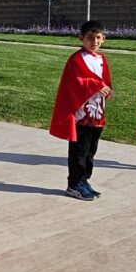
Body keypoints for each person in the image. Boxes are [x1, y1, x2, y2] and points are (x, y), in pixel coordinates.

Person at [49, 20, 113, 200]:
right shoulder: (76, 60)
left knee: (91, 151)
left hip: (97, 112)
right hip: (82, 114)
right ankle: (74, 183)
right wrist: (96, 85)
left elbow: (105, 79)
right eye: (90, 38)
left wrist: (106, 89)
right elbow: (75, 82)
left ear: (103, 39)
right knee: (79, 151)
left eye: (98, 38)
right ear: (81, 38)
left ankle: (84, 180)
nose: (95, 42)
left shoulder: (101, 59)